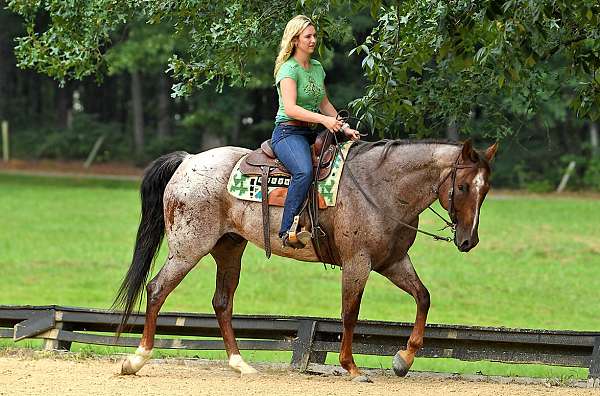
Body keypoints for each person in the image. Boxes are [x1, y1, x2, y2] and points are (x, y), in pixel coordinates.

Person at [271, 14, 361, 248]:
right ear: (295, 40)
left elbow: (324, 104)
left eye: (314, 36)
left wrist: (343, 126)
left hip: (312, 131)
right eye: (307, 36)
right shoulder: (288, 69)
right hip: (288, 133)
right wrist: (324, 121)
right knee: (303, 171)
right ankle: (286, 230)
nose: (313, 40)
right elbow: (290, 108)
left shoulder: (317, 68)